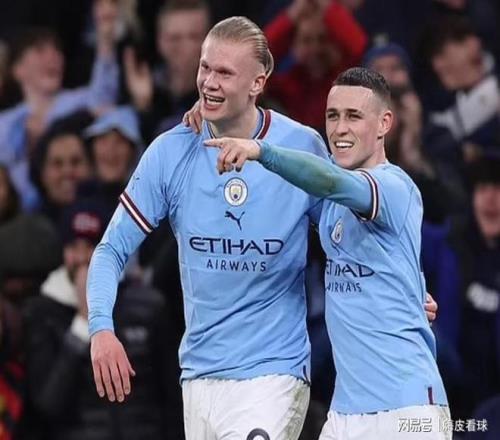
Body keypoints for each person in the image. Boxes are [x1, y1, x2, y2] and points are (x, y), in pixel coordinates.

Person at [88, 16, 328, 440]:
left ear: (258, 82)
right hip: (199, 376)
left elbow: (345, 238)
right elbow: (111, 250)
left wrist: (401, 288)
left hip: (274, 373)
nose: (209, 83)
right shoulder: (172, 150)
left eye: (225, 73)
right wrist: (101, 328)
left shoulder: (300, 147)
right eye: (205, 68)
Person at [204, 67, 450, 439]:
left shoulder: (393, 186)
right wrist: (210, 114)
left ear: (384, 123)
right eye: (332, 116)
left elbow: (330, 181)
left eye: (354, 116)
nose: (340, 129)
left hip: (406, 408)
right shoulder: (332, 205)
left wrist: (261, 151)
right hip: (345, 413)